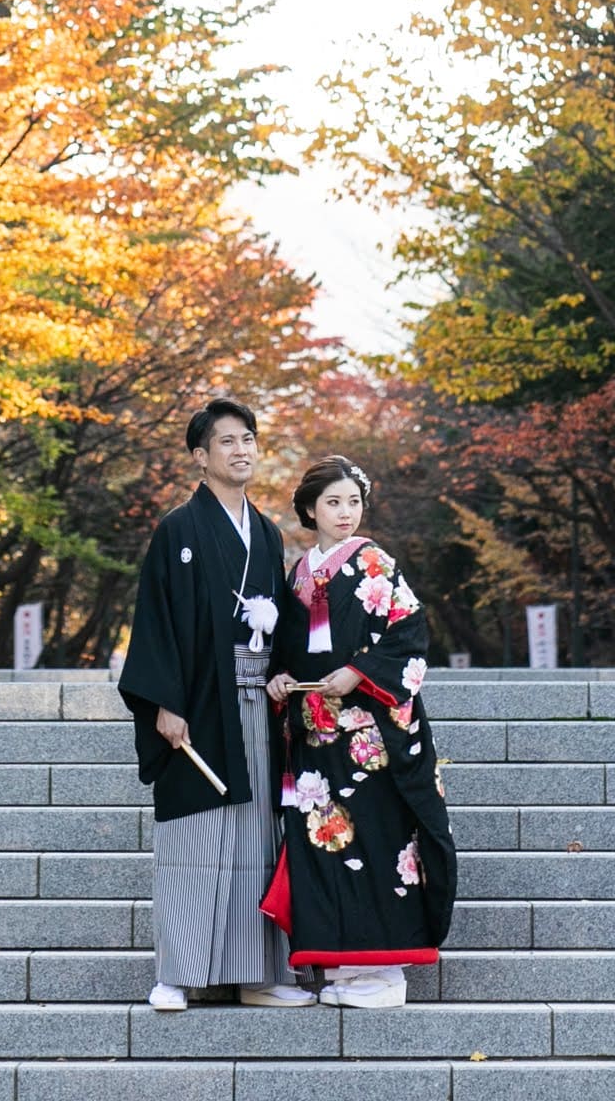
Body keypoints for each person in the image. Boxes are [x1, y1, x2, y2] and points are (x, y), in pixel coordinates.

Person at [116, 396, 313, 1012]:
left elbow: (286, 626)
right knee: (195, 842)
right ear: (201, 457)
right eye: (227, 441)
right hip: (201, 705)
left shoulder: (268, 532)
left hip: (259, 704)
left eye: (248, 438)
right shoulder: (179, 528)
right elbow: (157, 621)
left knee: (259, 839)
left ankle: (258, 975)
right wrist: (163, 704)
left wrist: (287, 678)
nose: (242, 449)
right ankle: (178, 973)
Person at [264, 453, 453, 1008]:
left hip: (371, 736)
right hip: (318, 737)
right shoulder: (299, 572)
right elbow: (288, 649)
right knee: (325, 844)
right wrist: (280, 679)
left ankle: (386, 974)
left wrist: (358, 673)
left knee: (377, 840)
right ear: (309, 509)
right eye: (333, 503)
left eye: (353, 502)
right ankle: (344, 970)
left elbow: (408, 635)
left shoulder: (376, 563)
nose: (346, 513)